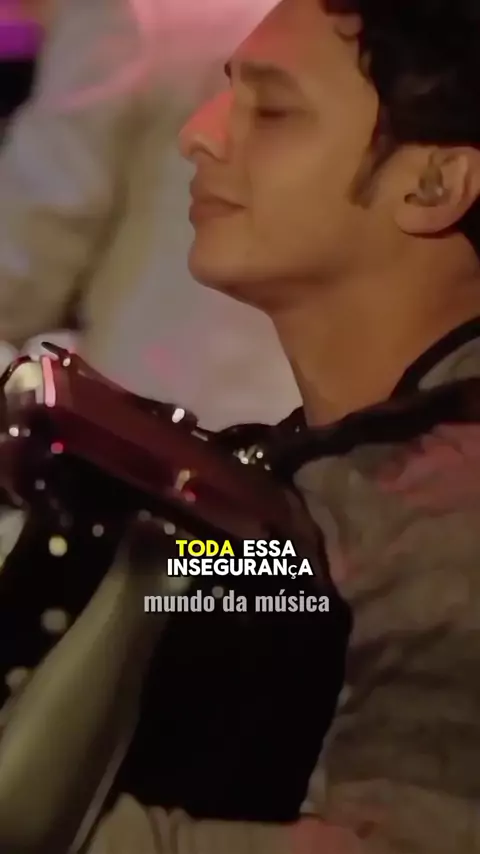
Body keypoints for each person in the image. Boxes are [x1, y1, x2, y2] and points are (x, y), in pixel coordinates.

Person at [1, 0, 480, 851]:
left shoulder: (448, 507)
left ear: (434, 184)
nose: (199, 135)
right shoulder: (301, 489)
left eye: (274, 110)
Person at [0, 0, 299, 428]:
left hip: (152, 416)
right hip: (303, 414)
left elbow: (32, 246)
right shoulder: (341, 20)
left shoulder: (129, 13)